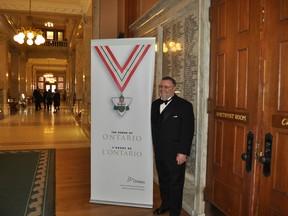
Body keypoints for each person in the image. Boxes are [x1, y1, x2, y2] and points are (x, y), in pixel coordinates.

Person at [151, 76, 195, 216]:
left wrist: (183, 152)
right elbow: (154, 128)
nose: (162, 89)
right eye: (161, 86)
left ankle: (175, 212)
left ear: (174, 89)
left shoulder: (184, 106)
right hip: (159, 152)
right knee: (163, 181)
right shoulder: (155, 104)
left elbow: (188, 131)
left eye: (166, 87)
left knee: (176, 183)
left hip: (176, 153)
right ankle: (166, 205)